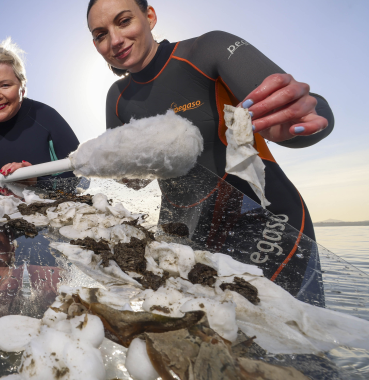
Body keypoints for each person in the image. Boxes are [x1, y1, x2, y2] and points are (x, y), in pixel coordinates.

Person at [86, 0, 333, 303]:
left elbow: (305, 110)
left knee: (294, 344)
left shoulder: (208, 50)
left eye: (123, 21)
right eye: (100, 34)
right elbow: (137, 180)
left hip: (265, 225)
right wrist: (122, 175)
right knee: (193, 349)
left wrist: (306, 119)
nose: (114, 40)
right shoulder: (117, 98)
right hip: (182, 237)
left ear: (149, 17)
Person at [0, 39, 80, 183]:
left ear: (22, 87)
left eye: (5, 85)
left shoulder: (47, 117)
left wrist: (37, 181)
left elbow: (83, 176)